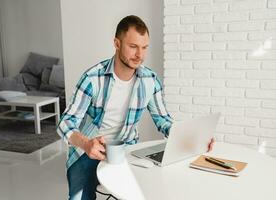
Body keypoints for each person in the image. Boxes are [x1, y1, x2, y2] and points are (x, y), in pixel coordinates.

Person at [57, 15, 214, 200]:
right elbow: (65, 123)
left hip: (127, 150)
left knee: (145, 192)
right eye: (133, 47)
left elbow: (163, 120)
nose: (140, 55)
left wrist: (191, 138)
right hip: (88, 151)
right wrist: (85, 143)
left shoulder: (150, 80)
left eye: (144, 47)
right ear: (117, 43)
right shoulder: (92, 78)